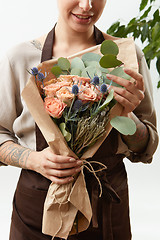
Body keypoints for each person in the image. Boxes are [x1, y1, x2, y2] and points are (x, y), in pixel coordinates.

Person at [0, 0, 158, 240]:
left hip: (106, 208)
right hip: (37, 210)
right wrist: (34, 160)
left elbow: (147, 146)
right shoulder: (20, 58)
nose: (87, 6)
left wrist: (126, 117)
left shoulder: (126, 55)